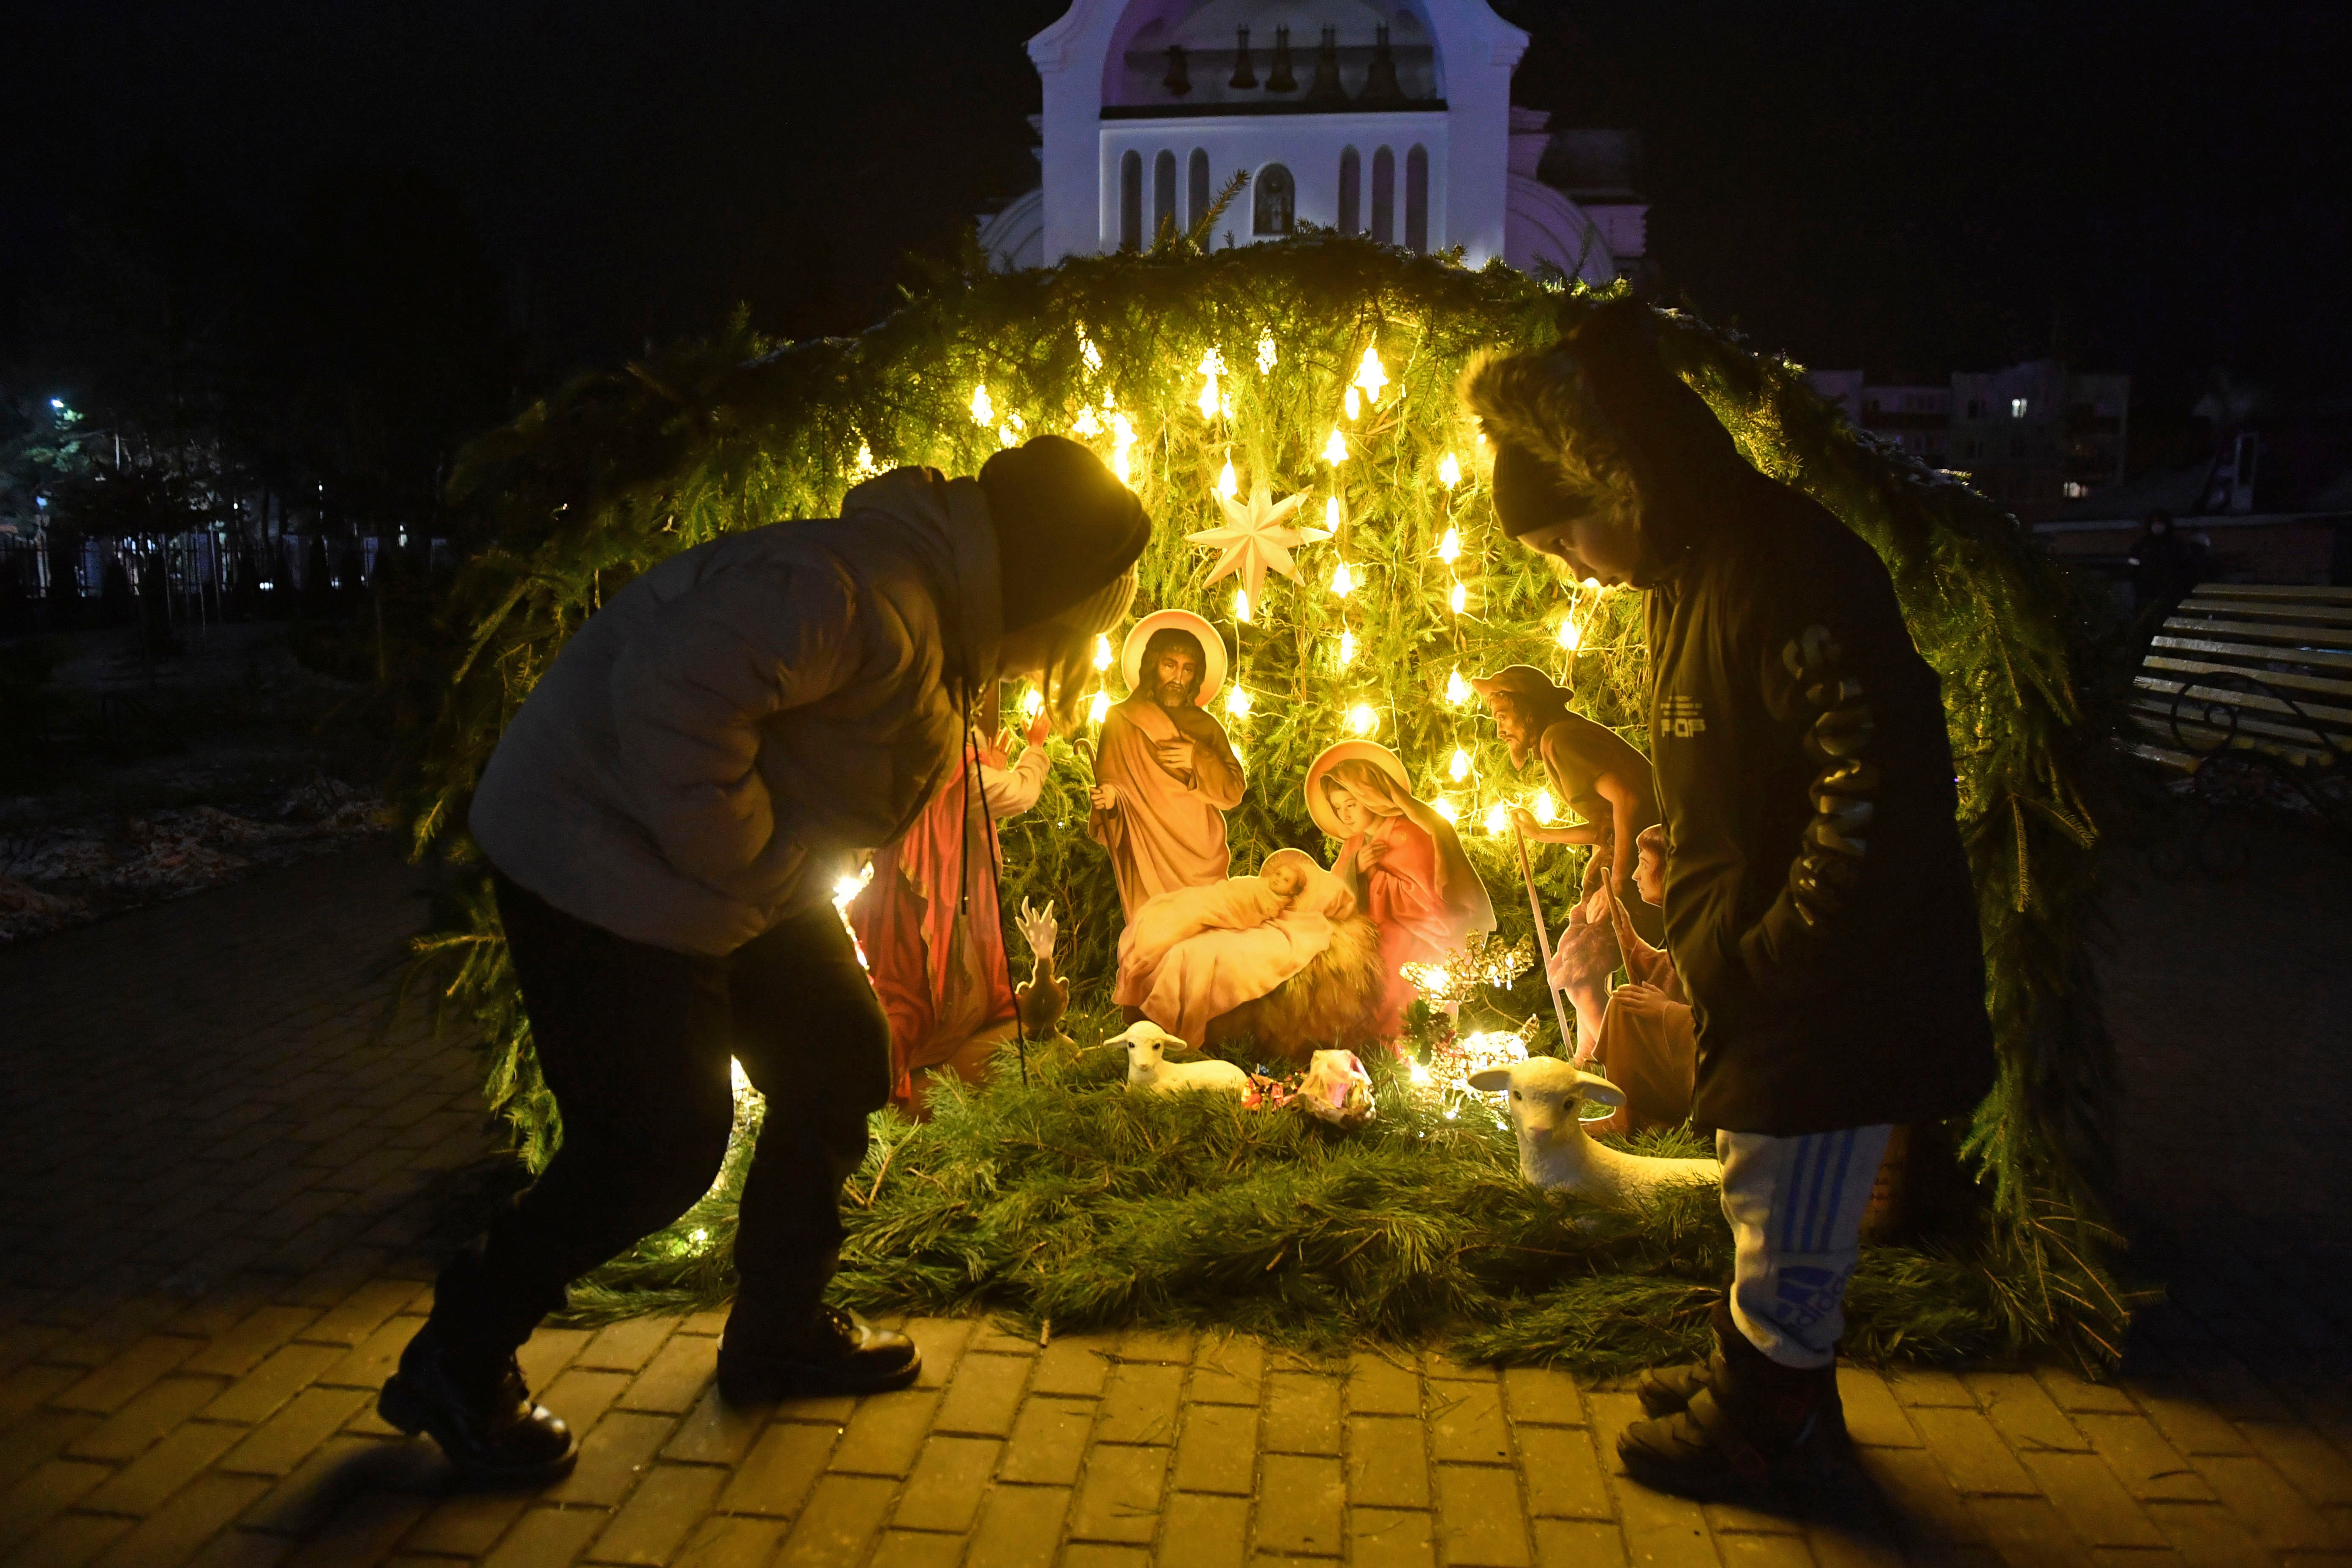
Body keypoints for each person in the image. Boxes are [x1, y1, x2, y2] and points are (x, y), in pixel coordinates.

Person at [378, 437, 1149, 1484]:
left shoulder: (927, 613)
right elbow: (671, 700)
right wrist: (745, 857)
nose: (1057, 652)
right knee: (655, 1144)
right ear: (1037, 586)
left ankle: (776, 1329)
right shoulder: (849, 592)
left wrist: (757, 867)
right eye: (1069, 628)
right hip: (598, 857)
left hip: (719, 869)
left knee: (836, 1052)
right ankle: (457, 1355)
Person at [1464, 301, 1994, 1497]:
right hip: (1767, 965)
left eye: (1568, 540)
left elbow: (1863, 774)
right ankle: (1755, 1373)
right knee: (1767, 1183)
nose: (1576, 571)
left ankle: (1772, 1427)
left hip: (1831, 977)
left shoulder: (1779, 567)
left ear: (1625, 478)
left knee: (1794, 1192)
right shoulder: (1695, 571)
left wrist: (1779, 938)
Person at [848, 705, 1054, 1111]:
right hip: (925, 904)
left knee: (902, 988)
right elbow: (1020, 794)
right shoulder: (955, 770)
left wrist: (991, 764)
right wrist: (1036, 748)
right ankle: (882, 1092)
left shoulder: (907, 753)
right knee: (914, 997)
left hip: (891, 890)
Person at [1307, 741, 1496, 1039]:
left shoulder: (1413, 834)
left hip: (1416, 943)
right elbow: (1334, 897)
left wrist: (1378, 881)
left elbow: (1432, 901)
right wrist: (1355, 871)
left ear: (1370, 796)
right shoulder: (1354, 845)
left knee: (1400, 998)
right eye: (1338, 808)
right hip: (1368, 943)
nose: (1344, 815)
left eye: (1351, 804)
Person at [1471, 665, 1662, 940]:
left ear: (1529, 711)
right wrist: (1542, 834)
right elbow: (1606, 829)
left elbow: (1629, 798)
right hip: (1643, 865)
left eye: (1503, 717)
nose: (1500, 731)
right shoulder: (1557, 739)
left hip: (1651, 866)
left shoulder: (1561, 739)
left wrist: (1616, 885)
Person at [1089, 610, 1247, 920]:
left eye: (1188, 670)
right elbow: (1113, 787)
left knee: (1207, 939)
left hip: (1201, 852)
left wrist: (1197, 758)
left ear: (1196, 676)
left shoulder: (1207, 726)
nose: (1178, 678)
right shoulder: (1122, 722)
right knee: (1157, 937)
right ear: (1152, 666)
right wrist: (1111, 800)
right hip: (1148, 849)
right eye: (1169, 665)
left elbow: (1233, 790)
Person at [1113, 847, 1359, 1046]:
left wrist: (1241, 913)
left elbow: (1252, 913)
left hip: (1234, 910)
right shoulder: (1258, 885)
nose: (1278, 879)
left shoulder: (1277, 902)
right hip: (1222, 899)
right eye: (1278, 873)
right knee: (1179, 911)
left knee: (1191, 946)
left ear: (1293, 893)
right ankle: (1157, 943)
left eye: (1285, 880)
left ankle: (1164, 1019)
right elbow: (1229, 893)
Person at [1546, 825, 1699, 1136]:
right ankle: (1630, 1112)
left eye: (1644, 865)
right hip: (1679, 1041)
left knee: (1622, 1005)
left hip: (1697, 1065)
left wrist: (1665, 1011)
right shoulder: (1683, 923)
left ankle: (1631, 1117)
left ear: (1671, 871)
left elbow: (1717, 1013)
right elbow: (1671, 970)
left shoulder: (1700, 930)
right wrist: (1631, 940)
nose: (1634, 876)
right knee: (1623, 1001)